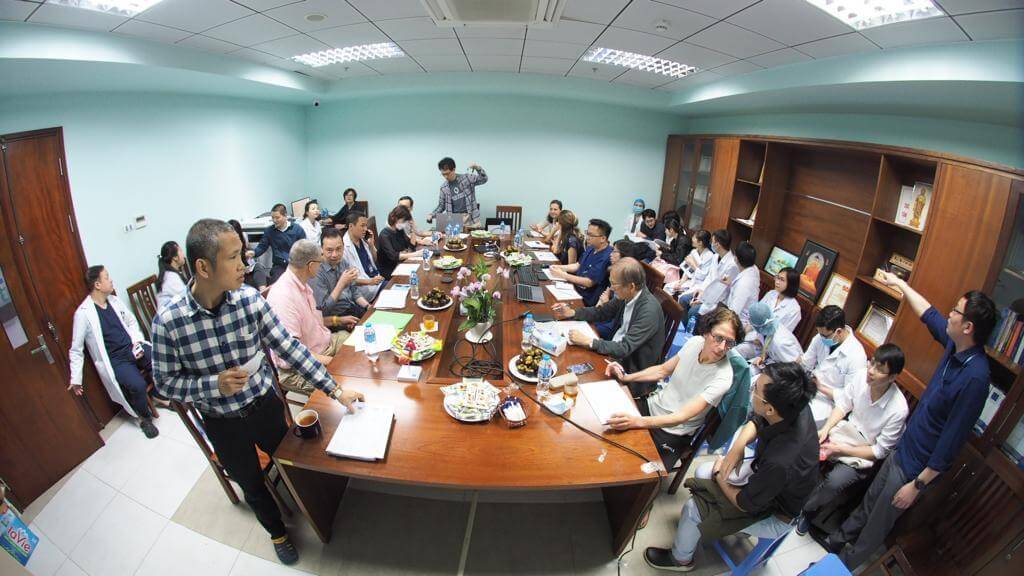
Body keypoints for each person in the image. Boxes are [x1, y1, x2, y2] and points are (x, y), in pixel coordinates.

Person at [152, 219, 364, 566]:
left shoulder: (249, 300)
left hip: (264, 405)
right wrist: (211, 385)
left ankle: (303, 501)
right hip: (222, 420)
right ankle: (277, 532)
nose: (245, 265)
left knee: (289, 456)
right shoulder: (170, 322)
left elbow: (291, 349)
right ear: (203, 267)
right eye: (234, 258)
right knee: (250, 481)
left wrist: (335, 391)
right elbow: (164, 383)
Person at [826, 274, 996, 569]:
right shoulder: (956, 347)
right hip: (902, 449)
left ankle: (840, 567)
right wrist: (901, 285)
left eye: (955, 312)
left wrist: (917, 485)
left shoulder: (976, 378)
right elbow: (929, 315)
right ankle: (836, 540)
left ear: (967, 327)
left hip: (915, 469)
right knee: (868, 504)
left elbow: (952, 441)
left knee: (877, 524)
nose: (949, 315)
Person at [644, 362, 818, 572]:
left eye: (755, 389)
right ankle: (712, 528)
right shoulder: (795, 403)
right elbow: (758, 419)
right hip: (766, 480)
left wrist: (719, 475)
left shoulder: (782, 461)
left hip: (776, 512)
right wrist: (738, 446)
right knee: (702, 472)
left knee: (694, 508)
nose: (751, 389)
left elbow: (745, 503)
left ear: (770, 407)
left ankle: (681, 560)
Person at [604, 306, 743, 468]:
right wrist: (626, 377)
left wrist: (636, 421)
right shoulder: (694, 343)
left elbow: (680, 417)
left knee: (633, 468)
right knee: (605, 427)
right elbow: (662, 370)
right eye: (718, 338)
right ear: (706, 332)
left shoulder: (723, 377)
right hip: (653, 406)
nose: (722, 348)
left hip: (674, 431)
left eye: (729, 343)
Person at [797, 343, 909, 537]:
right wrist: (826, 429)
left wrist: (840, 450)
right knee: (805, 448)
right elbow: (843, 405)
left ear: (892, 377)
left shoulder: (898, 409)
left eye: (879, 369)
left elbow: (879, 451)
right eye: (871, 363)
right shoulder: (861, 377)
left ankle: (807, 510)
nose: (871, 371)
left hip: (863, 450)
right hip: (845, 430)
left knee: (834, 481)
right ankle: (792, 495)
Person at [69, 266, 159, 438]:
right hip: (117, 360)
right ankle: (144, 418)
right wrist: (75, 379)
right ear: (97, 284)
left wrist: (137, 341)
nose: (111, 280)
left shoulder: (114, 301)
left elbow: (131, 322)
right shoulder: (83, 314)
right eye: (107, 277)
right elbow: (76, 349)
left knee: (159, 360)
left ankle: (159, 394)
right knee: (138, 385)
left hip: (133, 347)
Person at [552, 258, 665, 391]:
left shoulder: (648, 311)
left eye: (614, 284)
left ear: (631, 286)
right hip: (615, 352)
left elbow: (624, 348)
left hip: (629, 371)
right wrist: (572, 312)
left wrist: (589, 341)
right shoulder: (628, 294)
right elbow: (602, 312)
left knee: (573, 381)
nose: (611, 288)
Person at [266, 241, 352, 395]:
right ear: (311, 265)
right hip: (299, 366)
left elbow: (311, 322)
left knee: (357, 347)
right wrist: (333, 362)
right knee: (346, 384)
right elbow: (293, 353)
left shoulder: (302, 284)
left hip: (323, 345)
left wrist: (338, 320)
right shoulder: (283, 297)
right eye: (320, 262)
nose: (321, 266)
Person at [801, 305, 867, 424]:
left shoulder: (856, 356)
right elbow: (806, 363)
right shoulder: (820, 337)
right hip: (808, 386)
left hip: (828, 401)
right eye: (819, 333)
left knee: (802, 421)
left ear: (838, 331)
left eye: (824, 335)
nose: (821, 338)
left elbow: (848, 398)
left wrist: (821, 387)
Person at [548, 218, 613, 307]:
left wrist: (563, 275)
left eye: (591, 235)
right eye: (587, 233)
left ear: (603, 238)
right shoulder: (591, 248)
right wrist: (559, 268)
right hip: (574, 289)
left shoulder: (607, 256)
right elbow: (578, 265)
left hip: (586, 299)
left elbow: (589, 282)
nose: (587, 237)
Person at [310, 228, 367, 329]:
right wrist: (341, 283)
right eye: (329, 250)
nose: (335, 255)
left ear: (343, 247)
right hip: (335, 319)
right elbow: (323, 311)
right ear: (321, 249)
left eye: (338, 249)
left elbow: (354, 291)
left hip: (351, 308)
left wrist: (368, 306)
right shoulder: (317, 271)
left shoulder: (343, 262)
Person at [683, 229, 737, 329]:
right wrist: (701, 291)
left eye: (712, 242)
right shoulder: (716, 257)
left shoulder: (732, 265)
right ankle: (684, 329)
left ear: (718, 244)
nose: (711, 244)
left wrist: (702, 299)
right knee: (683, 299)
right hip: (705, 292)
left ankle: (692, 335)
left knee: (693, 311)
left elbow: (722, 290)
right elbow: (709, 277)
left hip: (717, 301)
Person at [594, 239, 640, 340]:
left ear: (624, 255)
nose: (611, 254)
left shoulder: (627, 278)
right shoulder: (615, 270)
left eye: (614, 251)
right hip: (609, 315)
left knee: (590, 328)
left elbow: (620, 314)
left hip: (616, 325)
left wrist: (605, 303)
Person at [742, 302, 804, 377]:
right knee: (746, 370)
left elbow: (795, 368)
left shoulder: (781, 343)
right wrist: (762, 358)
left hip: (784, 373)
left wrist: (768, 369)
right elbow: (769, 349)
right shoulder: (769, 327)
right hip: (772, 362)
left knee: (750, 377)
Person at [252, 204, 305, 285]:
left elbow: (304, 248)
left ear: (285, 216)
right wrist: (253, 253)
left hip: (295, 265)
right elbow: (262, 246)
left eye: (277, 217)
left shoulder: (297, 229)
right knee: (276, 285)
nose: (274, 220)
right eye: (273, 218)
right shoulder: (269, 231)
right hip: (279, 266)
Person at [428, 157, 487, 227]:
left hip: (472, 218)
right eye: (443, 174)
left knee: (473, 238)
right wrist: (432, 215)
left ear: (453, 169)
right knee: (453, 238)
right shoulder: (444, 188)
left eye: (447, 173)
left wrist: (478, 168)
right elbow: (441, 206)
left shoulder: (467, 178)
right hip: (454, 219)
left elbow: (484, 179)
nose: (446, 177)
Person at [342, 211, 384, 302]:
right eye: (362, 225)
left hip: (377, 280)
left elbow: (375, 260)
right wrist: (370, 281)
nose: (365, 229)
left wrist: (371, 245)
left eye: (366, 226)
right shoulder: (344, 247)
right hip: (367, 289)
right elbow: (346, 280)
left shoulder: (363, 240)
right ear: (351, 226)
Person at [724, 241, 759, 329]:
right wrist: (732, 283)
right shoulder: (754, 268)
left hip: (738, 322)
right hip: (737, 313)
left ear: (736, 259)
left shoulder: (744, 284)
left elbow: (733, 314)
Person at [667, 229, 714, 294]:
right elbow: (687, 270)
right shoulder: (694, 251)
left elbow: (702, 276)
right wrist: (681, 282)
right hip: (688, 280)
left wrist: (693, 264)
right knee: (668, 287)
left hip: (698, 284)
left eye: (694, 237)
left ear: (700, 242)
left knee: (681, 295)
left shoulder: (709, 256)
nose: (692, 238)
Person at [377, 205, 418, 279]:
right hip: (388, 270)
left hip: (400, 265)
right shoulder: (384, 235)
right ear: (395, 218)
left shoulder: (399, 230)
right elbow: (393, 256)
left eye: (406, 221)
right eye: (404, 221)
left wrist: (413, 230)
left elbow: (411, 246)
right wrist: (415, 254)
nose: (405, 223)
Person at [228, 219, 269, 292]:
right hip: (236, 270)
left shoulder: (243, 238)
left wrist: (248, 257)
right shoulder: (227, 247)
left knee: (258, 267)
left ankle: (263, 292)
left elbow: (245, 257)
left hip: (245, 266)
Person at [650, 218, 692, 286]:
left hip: (682, 269)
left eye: (666, 229)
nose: (665, 231)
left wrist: (662, 255)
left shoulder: (683, 241)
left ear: (671, 230)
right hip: (676, 263)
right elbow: (671, 251)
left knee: (657, 270)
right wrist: (660, 249)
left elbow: (678, 260)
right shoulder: (675, 239)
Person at [760, 267, 801, 332]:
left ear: (791, 284)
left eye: (782, 280)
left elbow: (783, 334)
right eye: (777, 278)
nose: (777, 282)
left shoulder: (794, 310)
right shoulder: (771, 293)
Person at [155, 240, 188, 311]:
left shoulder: (169, 274)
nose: (183, 254)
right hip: (168, 319)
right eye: (181, 251)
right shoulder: (171, 277)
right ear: (175, 257)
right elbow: (188, 297)